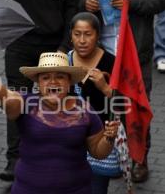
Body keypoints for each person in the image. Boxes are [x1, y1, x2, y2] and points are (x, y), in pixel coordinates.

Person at [0, 52, 120, 194]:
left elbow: (98, 152)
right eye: (46, 77)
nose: (53, 81)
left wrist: (109, 138)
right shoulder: (25, 103)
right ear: (38, 83)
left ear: (69, 82)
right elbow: (7, 98)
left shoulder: (85, 110)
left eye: (60, 77)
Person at [79, 0, 165, 183]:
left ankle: (140, 160)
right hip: (103, 51)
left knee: (136, 106)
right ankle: (110, 156)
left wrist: (131, 2)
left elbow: (160, 1)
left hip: (135, 53)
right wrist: (86, 3)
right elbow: (77, 0)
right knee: (104, 105)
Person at [0, 0, 82, 181]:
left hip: (55, 45)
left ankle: (61, 154)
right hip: (19, 43)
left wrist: (64, 47)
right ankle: (15, 158)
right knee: (16, 99)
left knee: (58, 102)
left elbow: (73, 9)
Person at [67, 12, 124, 194]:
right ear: (71, 36)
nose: (82, 40)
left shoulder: (111, 63)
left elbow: (124, 107)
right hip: (69, 143)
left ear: (98, 36)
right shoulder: (63, 64)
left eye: (88, 34)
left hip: (100, 143)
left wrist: (105, 88)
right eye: (77, 34)